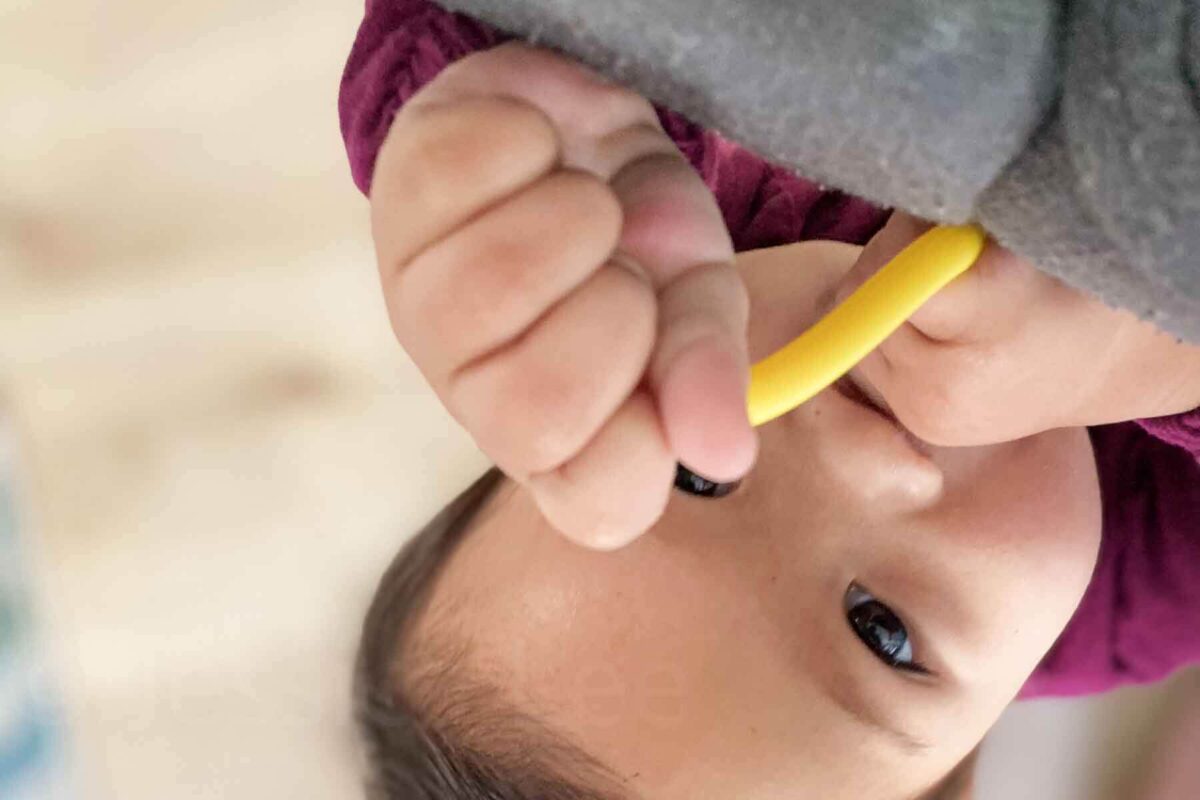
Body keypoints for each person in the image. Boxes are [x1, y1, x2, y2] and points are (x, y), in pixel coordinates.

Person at [340, 7, 1200, 799]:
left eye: (695, 477)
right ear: (973, 745)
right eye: (883, 632)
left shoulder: (667, 226)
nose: (855, 452)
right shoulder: (1148, 588)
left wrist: (497, 139)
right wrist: (1163, 347)